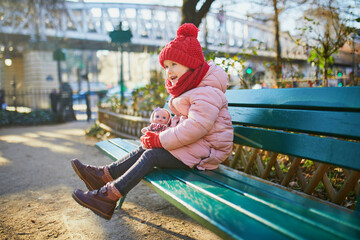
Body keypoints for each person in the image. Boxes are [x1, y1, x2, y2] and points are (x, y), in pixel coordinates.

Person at [71, 23, 234, 220]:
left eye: (174, 64)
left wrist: (160, 140)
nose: (169, 70)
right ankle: (104, 176)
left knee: (152, 155)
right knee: (146, 148)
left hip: (205, 154)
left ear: (191, 65)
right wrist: (158, 134)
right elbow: (187, 124)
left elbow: (197, 127)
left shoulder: (206, 92)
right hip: (194, 146)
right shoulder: (193, 87)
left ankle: (108, 196)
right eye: (166, 66)